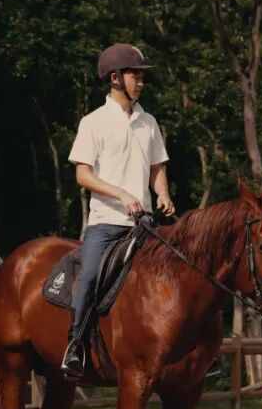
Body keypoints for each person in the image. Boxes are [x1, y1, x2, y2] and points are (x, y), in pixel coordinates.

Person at [61, 43, 176, 378]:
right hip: (107, 223)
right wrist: (122, 194)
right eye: (134, 74)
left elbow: (157, 168)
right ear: (114, 78)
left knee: (183, 271)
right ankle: (75, 345)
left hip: (145, 225)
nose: (140, 81)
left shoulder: (149, 122)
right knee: (91, 276)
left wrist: (164, 194)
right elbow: (83, 174)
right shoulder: (92, 122)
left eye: (141, 76)